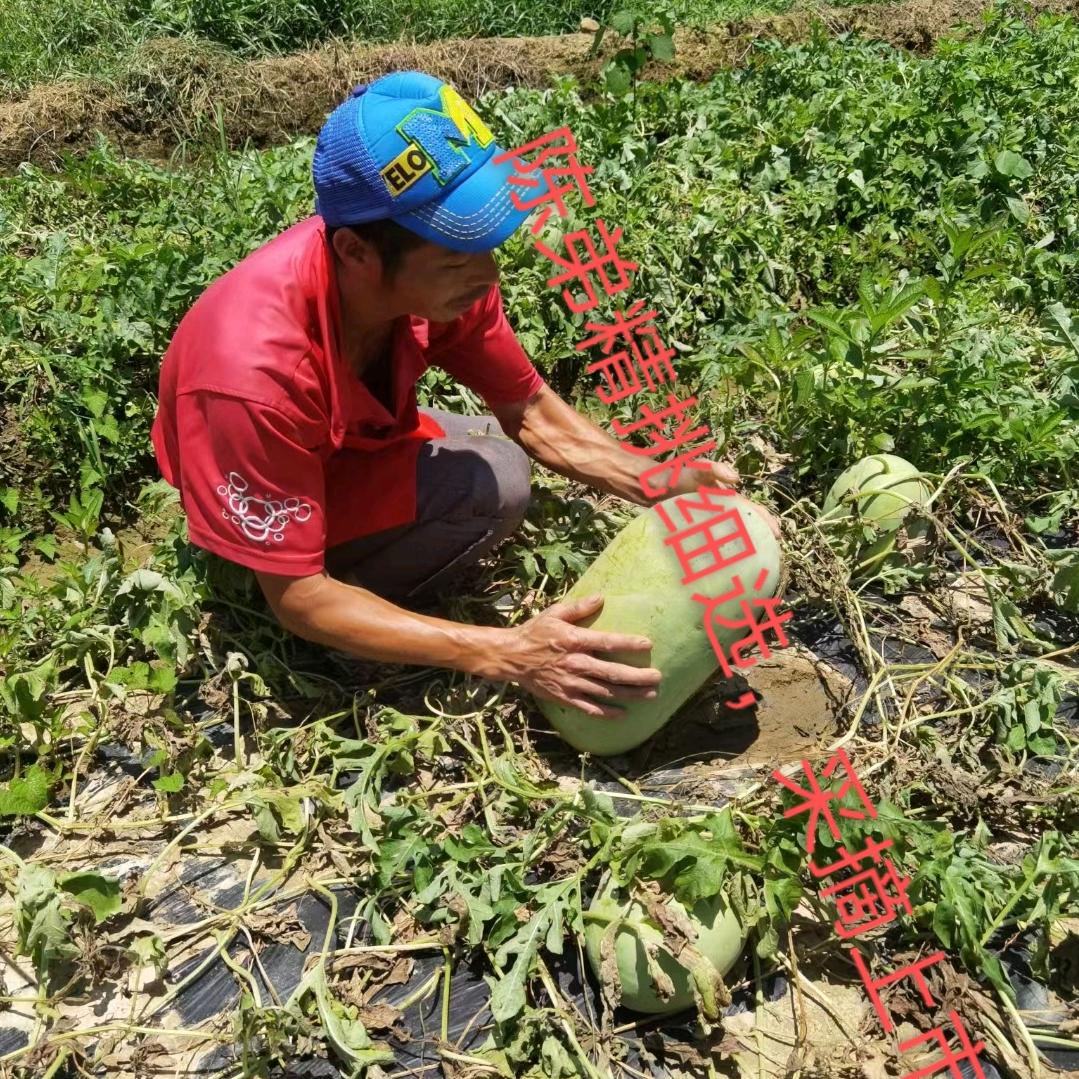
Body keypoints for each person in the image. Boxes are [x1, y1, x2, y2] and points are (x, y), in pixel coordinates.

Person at [151, 70, 779, 720]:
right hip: (256, 481)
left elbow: (529, 411)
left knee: (488, 446)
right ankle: (353, 635)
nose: (487, 274)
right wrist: (504, 652)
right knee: (495, 482)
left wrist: (654, 480)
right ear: (355, 251)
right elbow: (299, 596)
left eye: (486, 241)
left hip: (335, 444)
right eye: (456, 254)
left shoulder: (446, 287)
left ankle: (373, 589)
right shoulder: (249, 375)